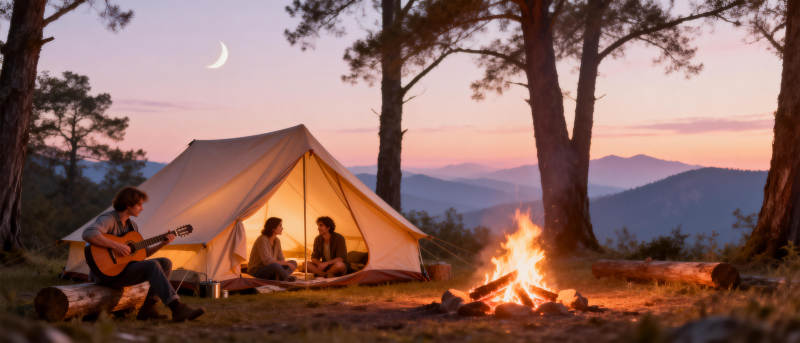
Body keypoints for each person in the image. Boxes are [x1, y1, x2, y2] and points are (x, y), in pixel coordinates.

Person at [82, 186, 204, 322]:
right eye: (139, 204)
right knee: (152, 265)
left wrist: (162, 243)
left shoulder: (132, 226)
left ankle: (148, 309)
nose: (142, 208)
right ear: (128, 205)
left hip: (122, 271)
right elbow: (88, 233)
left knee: (165, 262)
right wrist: (116, 245)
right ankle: (176, 307)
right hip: (105, 274)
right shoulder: (108, 219)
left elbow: (141, 256)